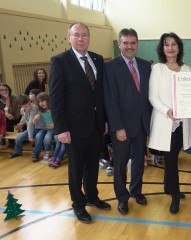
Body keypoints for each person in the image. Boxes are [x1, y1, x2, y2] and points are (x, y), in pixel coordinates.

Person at [49, 22, 111, 224]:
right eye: (76, 35)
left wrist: (105, 120)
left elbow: (100, 94)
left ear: (89, 37)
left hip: (95, 125)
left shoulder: (97, 59)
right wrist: (61, 128)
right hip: (73, 128)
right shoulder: (60, 61)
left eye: (84, 35)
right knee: (75, 168)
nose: (81, 38)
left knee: (92, 165)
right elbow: (56, 98)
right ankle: (78, 204)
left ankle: (92, 196)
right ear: (69, 37)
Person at [103, 28, 152, 216]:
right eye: (125, 43)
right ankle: (122, 198)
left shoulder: (145, 65)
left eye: (133, 43)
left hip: (141, 125)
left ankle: (136, 191)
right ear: (119, 44)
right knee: (121, 164)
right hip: (122, 126)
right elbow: (110, 100)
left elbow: (148, 96)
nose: (129, 46)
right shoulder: (110, 67)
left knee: (139, 161)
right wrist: (117, 127)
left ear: (137, 44)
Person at [148, 32, 191, 214]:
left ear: (179, 47)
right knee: (170, 160)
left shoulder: (188, 69)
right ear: (162, 48)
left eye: (174, 44)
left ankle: (168, 186)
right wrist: (167, 111)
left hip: (182, 122)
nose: (170, 47)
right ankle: (175, 195)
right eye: (167, 44)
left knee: (173, 156)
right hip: (165, 121)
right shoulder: (158, 69)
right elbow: (153, 96)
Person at [8, 95, 44, 161]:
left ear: (29, 100)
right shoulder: (22, 109)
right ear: (20, 106)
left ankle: (36, 154)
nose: (28, 107)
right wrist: (21, 123)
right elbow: (24, 117)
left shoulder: (34, 107)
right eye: (25, 106)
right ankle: (18, 152)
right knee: (19, 137)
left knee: (38, 137)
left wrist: (30, 136)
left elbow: (31, 123)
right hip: (32, 129)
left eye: (29, 104)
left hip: (41, 128)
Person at [32, 92, 54, 161]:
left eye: (43, 101)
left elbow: (59, 118)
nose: (41, 103)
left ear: (48, 100)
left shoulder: (53, 109)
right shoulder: (40, 111)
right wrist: (35, 119)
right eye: (39, 102)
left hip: (53, 129)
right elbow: (35, 120)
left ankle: (47, 151)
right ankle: (36, 154)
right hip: (45, 128)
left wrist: (54, 124)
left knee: (47, 138)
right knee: (38, 136)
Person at [0, 83, 21, 148]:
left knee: (8, 119)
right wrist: (5, 113)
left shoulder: (14, 98)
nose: (4, 91)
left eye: (6, 89)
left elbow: (12, 112)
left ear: (9, 90)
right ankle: (2, 137)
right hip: (4, 117)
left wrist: (8, 99)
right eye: (1, 90)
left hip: (16, 117)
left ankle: (11, 141)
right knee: (5, 118)